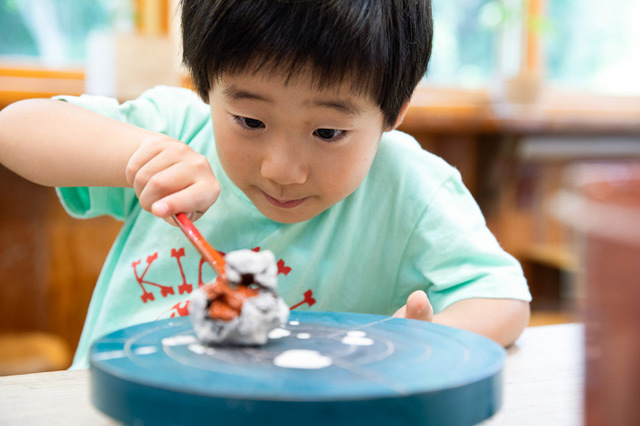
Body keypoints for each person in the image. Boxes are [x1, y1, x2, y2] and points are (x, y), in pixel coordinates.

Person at [0, 0, 531, 368]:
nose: (281, 168)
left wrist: (411, 344)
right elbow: (15, 127)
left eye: (328, 132)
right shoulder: (178, 129)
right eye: (250, 122)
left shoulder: (410, 189)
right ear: (207, 87)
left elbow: (503, 298)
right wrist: (138, 156)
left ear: (395, 111)